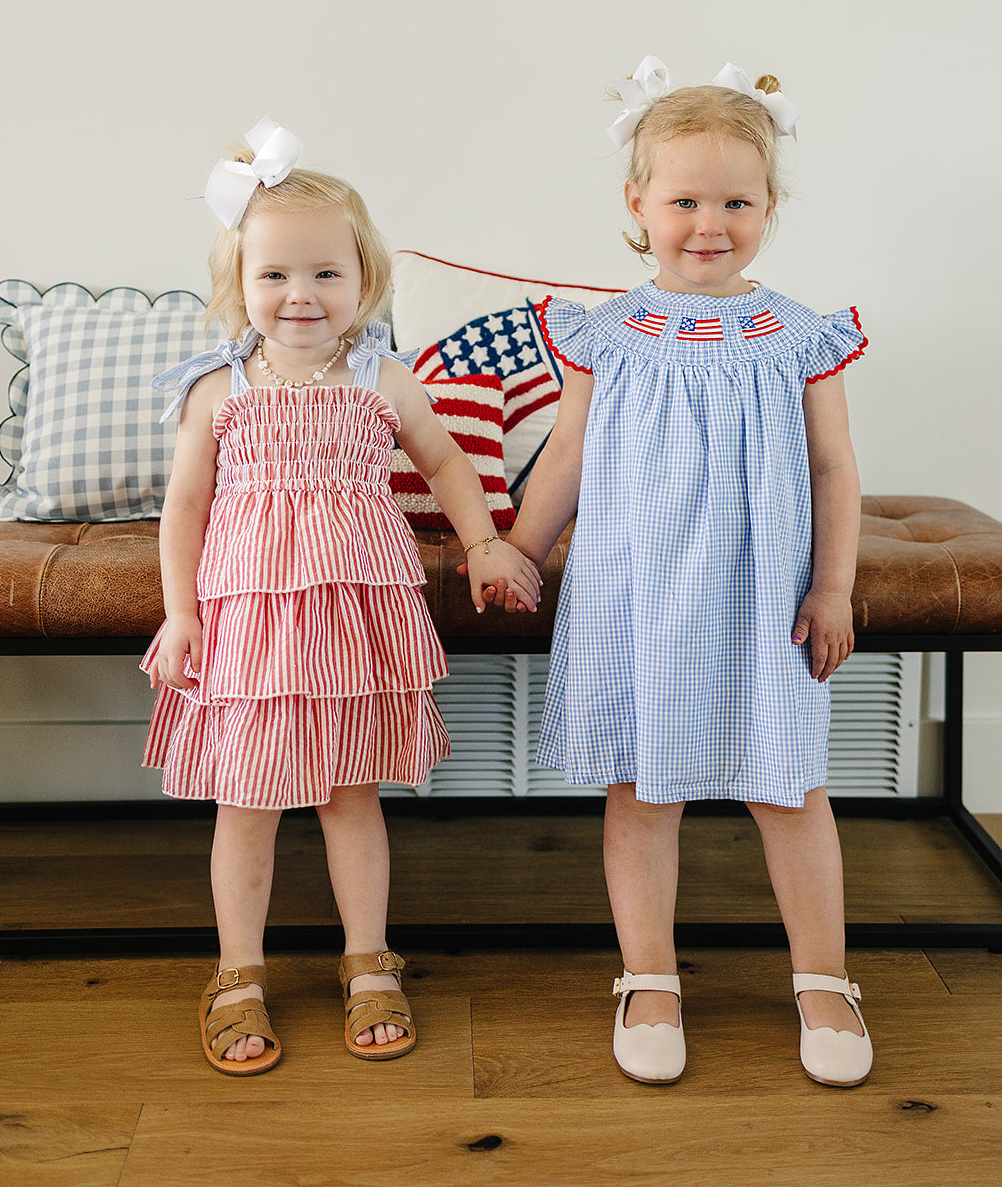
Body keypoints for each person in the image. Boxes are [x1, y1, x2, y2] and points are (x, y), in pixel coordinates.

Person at [492, 56, 872, 1087]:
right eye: (684, 199)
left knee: (788, 784)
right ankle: (648, 974)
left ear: (769, 205)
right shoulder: (605, 334)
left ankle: (823, 977)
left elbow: (834, 468)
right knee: (641, 787)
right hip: (636, 595)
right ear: (637, 203)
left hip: (762, 597)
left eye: (735, 200)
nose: (709, 222)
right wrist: (521, 549)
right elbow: (565, 455)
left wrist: (830, 586)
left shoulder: (797, 336)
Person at [141, 119, 541, 1075]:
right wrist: (182, 610)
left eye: (325, 273)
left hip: (354, 625)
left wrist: (484, 542)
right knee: (247, 799)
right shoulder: (218, 388)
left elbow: (443, 460)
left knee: (350, 795)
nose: (300, 295)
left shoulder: (380, 377)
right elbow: (184, 505)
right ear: (239, 282)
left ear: (364, 282)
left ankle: (369, 959)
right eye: (275, 274)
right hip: (250, 623)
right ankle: (237, 969)